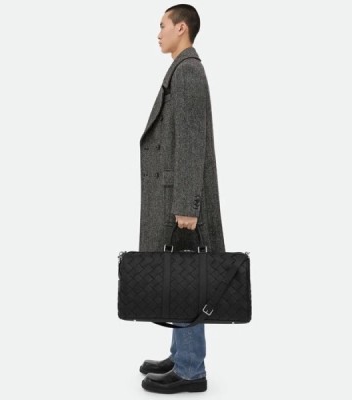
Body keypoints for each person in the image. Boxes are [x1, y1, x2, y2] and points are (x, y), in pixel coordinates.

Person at [138, 4, 225, 394]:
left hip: (181, 200)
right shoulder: (181, 70)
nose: (158, 33)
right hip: (175, 196)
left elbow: (192, 143)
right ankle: (181, 353)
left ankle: (191, 370)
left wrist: (187, 205)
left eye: (162, 25)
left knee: (187, 279)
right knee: (180, 277)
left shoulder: (188, 72)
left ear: (181, 28)